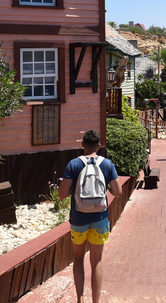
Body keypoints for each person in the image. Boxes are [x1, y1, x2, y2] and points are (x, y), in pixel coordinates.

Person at [58, 130, 121, 303]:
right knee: (97, 261)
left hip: (78, 219)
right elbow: (119, 192)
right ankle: (96, 301)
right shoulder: (107, 164)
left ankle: (80, 299)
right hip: (100, 218)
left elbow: (62, 195)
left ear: (82, 145)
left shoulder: (73, 164)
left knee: (78, 258)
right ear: (99, 146)